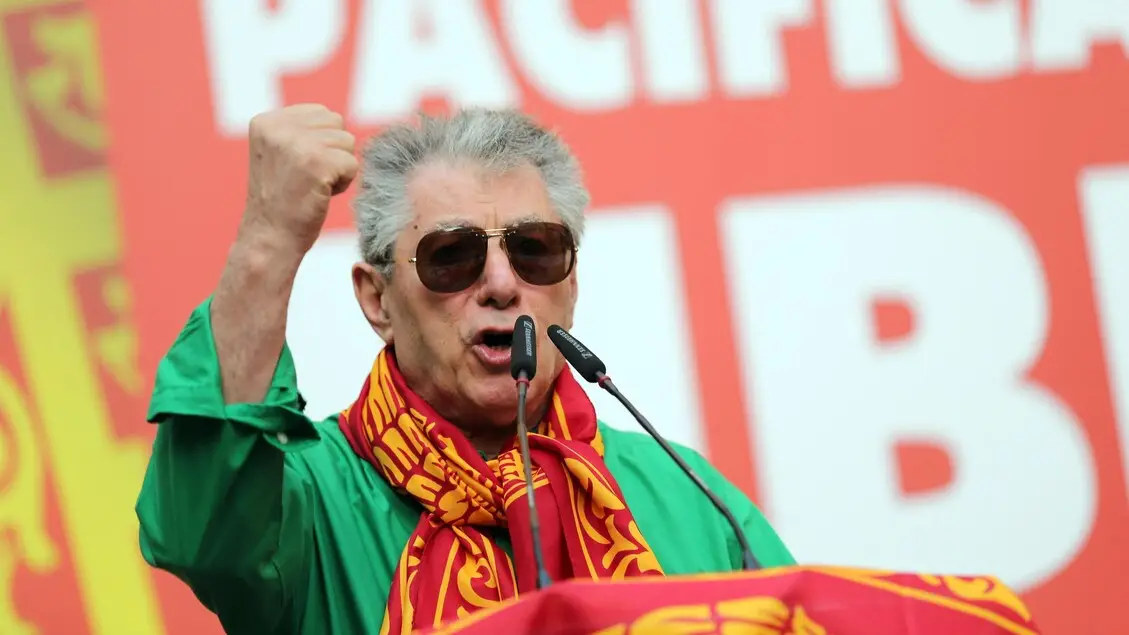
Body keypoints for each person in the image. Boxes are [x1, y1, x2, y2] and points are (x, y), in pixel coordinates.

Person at [135, 104, 796, 635]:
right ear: (377, 300)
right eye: (451, 256)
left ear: (570, 283)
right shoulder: (307, 497)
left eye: (535, 250)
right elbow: (200, 526)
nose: (502, 285)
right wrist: (269, 239)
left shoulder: (684, 493)